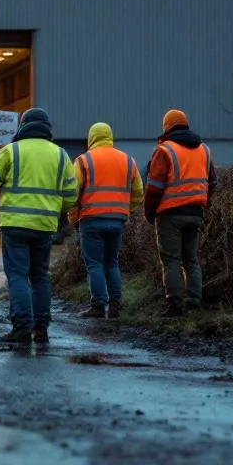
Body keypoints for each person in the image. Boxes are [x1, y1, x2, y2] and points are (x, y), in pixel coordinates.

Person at [0, 107, 79, 345]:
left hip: (15, 225)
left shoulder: (12, 151)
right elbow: (71, 195)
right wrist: (55, 209)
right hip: (44, 226)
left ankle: (21, 328)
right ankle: (41, 329)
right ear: (47, 128)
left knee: (18, 277)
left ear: (22, 126)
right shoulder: (61, 155)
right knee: (40, 277)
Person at [144, 109, 217, 317]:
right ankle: (195, 302)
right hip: (195, 213)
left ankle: (174, 305)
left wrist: (150, 211)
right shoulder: (204, 150)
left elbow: (155, 187)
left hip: (170, 215)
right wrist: (203, 202)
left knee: (172, 261)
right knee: (192, 260)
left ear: (166, 127)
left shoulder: (164, 150)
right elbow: (213, 182)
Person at [69, 122, 144, 320]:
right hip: (117, 219)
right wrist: (126, 210)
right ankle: (115, 305)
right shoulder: (128, 160)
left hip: (92, 219)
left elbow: (73, 193)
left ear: (91, 137)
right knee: (112, 263)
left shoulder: (84, 160)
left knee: (95, 264)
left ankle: (98, 306)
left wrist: (72, 214)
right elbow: (138, 192)